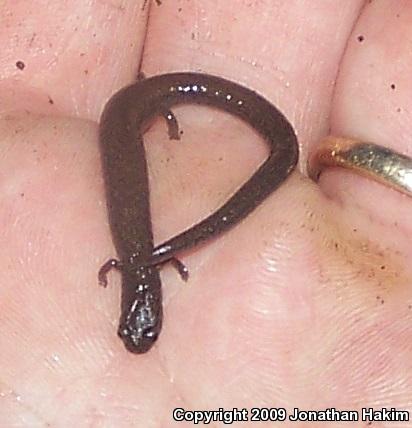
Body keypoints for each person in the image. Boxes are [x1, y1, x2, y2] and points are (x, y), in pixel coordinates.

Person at [1, 0, 411, 425]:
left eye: (132, 327)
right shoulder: (128, 261)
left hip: (136, 108)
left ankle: (161, 104)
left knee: (199, 142)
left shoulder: (131, 260)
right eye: (141, 328)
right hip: (134, 109)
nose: (136, 331)